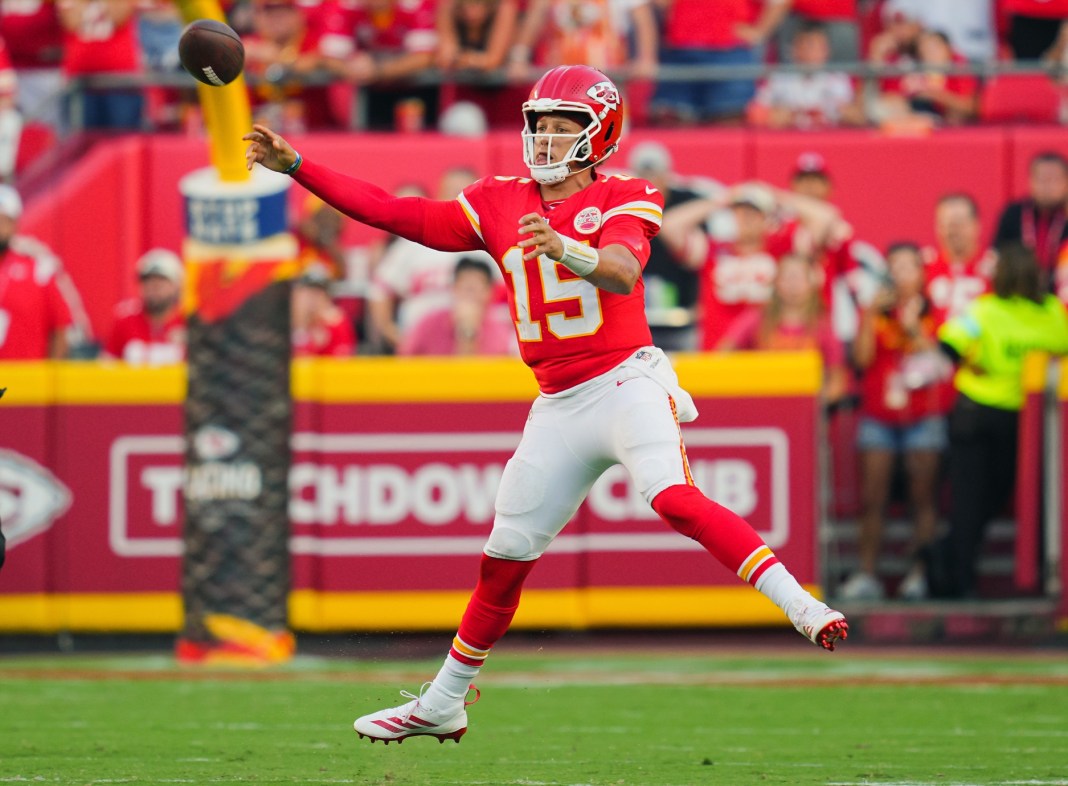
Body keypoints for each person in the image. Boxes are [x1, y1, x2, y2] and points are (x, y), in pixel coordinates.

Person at [244, 64, 848, 744]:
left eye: (566, 127)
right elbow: (398, 213)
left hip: (625, 380)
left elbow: (623, 271)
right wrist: (298, 165)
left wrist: (568, 250)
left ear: (602, 133)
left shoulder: (626, 193)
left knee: (671, 496)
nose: (549, 139)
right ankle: (443, 701)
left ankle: (800, 604)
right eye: (541, 125)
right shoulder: (499, 199)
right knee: (503, 560)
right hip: (558, 403)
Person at [928, 242, 1068, 599]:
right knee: (989, 498)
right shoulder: (1048, 312)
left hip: (982, 412)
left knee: (974, 500)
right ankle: (961, 576)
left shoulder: (986, 310)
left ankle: (955, 569)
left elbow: (948, 345)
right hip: (1015, 419)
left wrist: (970, 363)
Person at [839, 242, 951, 602]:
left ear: (921, 274)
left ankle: (920, 573)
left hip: (924, 416)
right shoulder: (875, 311)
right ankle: (867, 574)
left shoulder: (936, 311)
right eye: (895, 267)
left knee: (923, 498)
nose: (902, 274)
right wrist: (871, 314)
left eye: (909, 267)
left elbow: (941, 362)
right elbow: (862, 358)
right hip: (879, 416)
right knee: (873, 497)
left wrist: (913, 326)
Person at [716, 252, 849, 407]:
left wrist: (814, 404)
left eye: (799, 278)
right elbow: (723, 354)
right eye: (787, 278)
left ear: (811, 283)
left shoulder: (823, 326)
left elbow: (837, 379)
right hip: (761, 405)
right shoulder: (756, 318)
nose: (793, 285)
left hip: (805, 411)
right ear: (776, 283)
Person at [0, 184, 74, 360]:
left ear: (15, 225)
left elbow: (60, 328)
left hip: (27, 379)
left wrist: (46, 382)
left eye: (4, 221)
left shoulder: (38, 270)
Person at [748, 21, 863, 129]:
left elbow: (860, 117)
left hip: (829, 141)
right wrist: (780, 115)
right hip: (789, 140)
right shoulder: (779, 78)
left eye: (816, 47)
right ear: (794, 50)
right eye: (805, 47)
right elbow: (754, 114)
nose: (810, 53)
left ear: (826, 51)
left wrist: (834, 112)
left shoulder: (840, 79)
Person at [399, 255, 515, 356]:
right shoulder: (428, 323)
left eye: (477, 287)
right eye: (465, 285)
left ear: (490, 292)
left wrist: (468, 332)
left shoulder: (501, 331)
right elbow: (403, 360)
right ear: (453, 288)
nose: (470, 292)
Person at [993, 151, 1068, 289]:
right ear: (1030, 181)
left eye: (1054, 179)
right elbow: (997, 255)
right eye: (1041, 179)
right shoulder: (1013, 214)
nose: (1047, 187)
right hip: (1018, 292)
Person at [104, 248, 186, 364]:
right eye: (147, 280)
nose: (154, 286)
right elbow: (107, 367)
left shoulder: (189, 324)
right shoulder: (125, 321)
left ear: (177, 285)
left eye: (161, 281)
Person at [925, 193, 995, 320]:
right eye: (947, 224)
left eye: (960, 224)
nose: (954, 231)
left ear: (977, 225)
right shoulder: (924, 268)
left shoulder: (997, 269)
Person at [291, 263, 357, 357]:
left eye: (319, 293)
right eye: (308, 292)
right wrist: (301, 328)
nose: (312, 298)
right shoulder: (286, 322)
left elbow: (342, 363)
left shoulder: (337, 324)